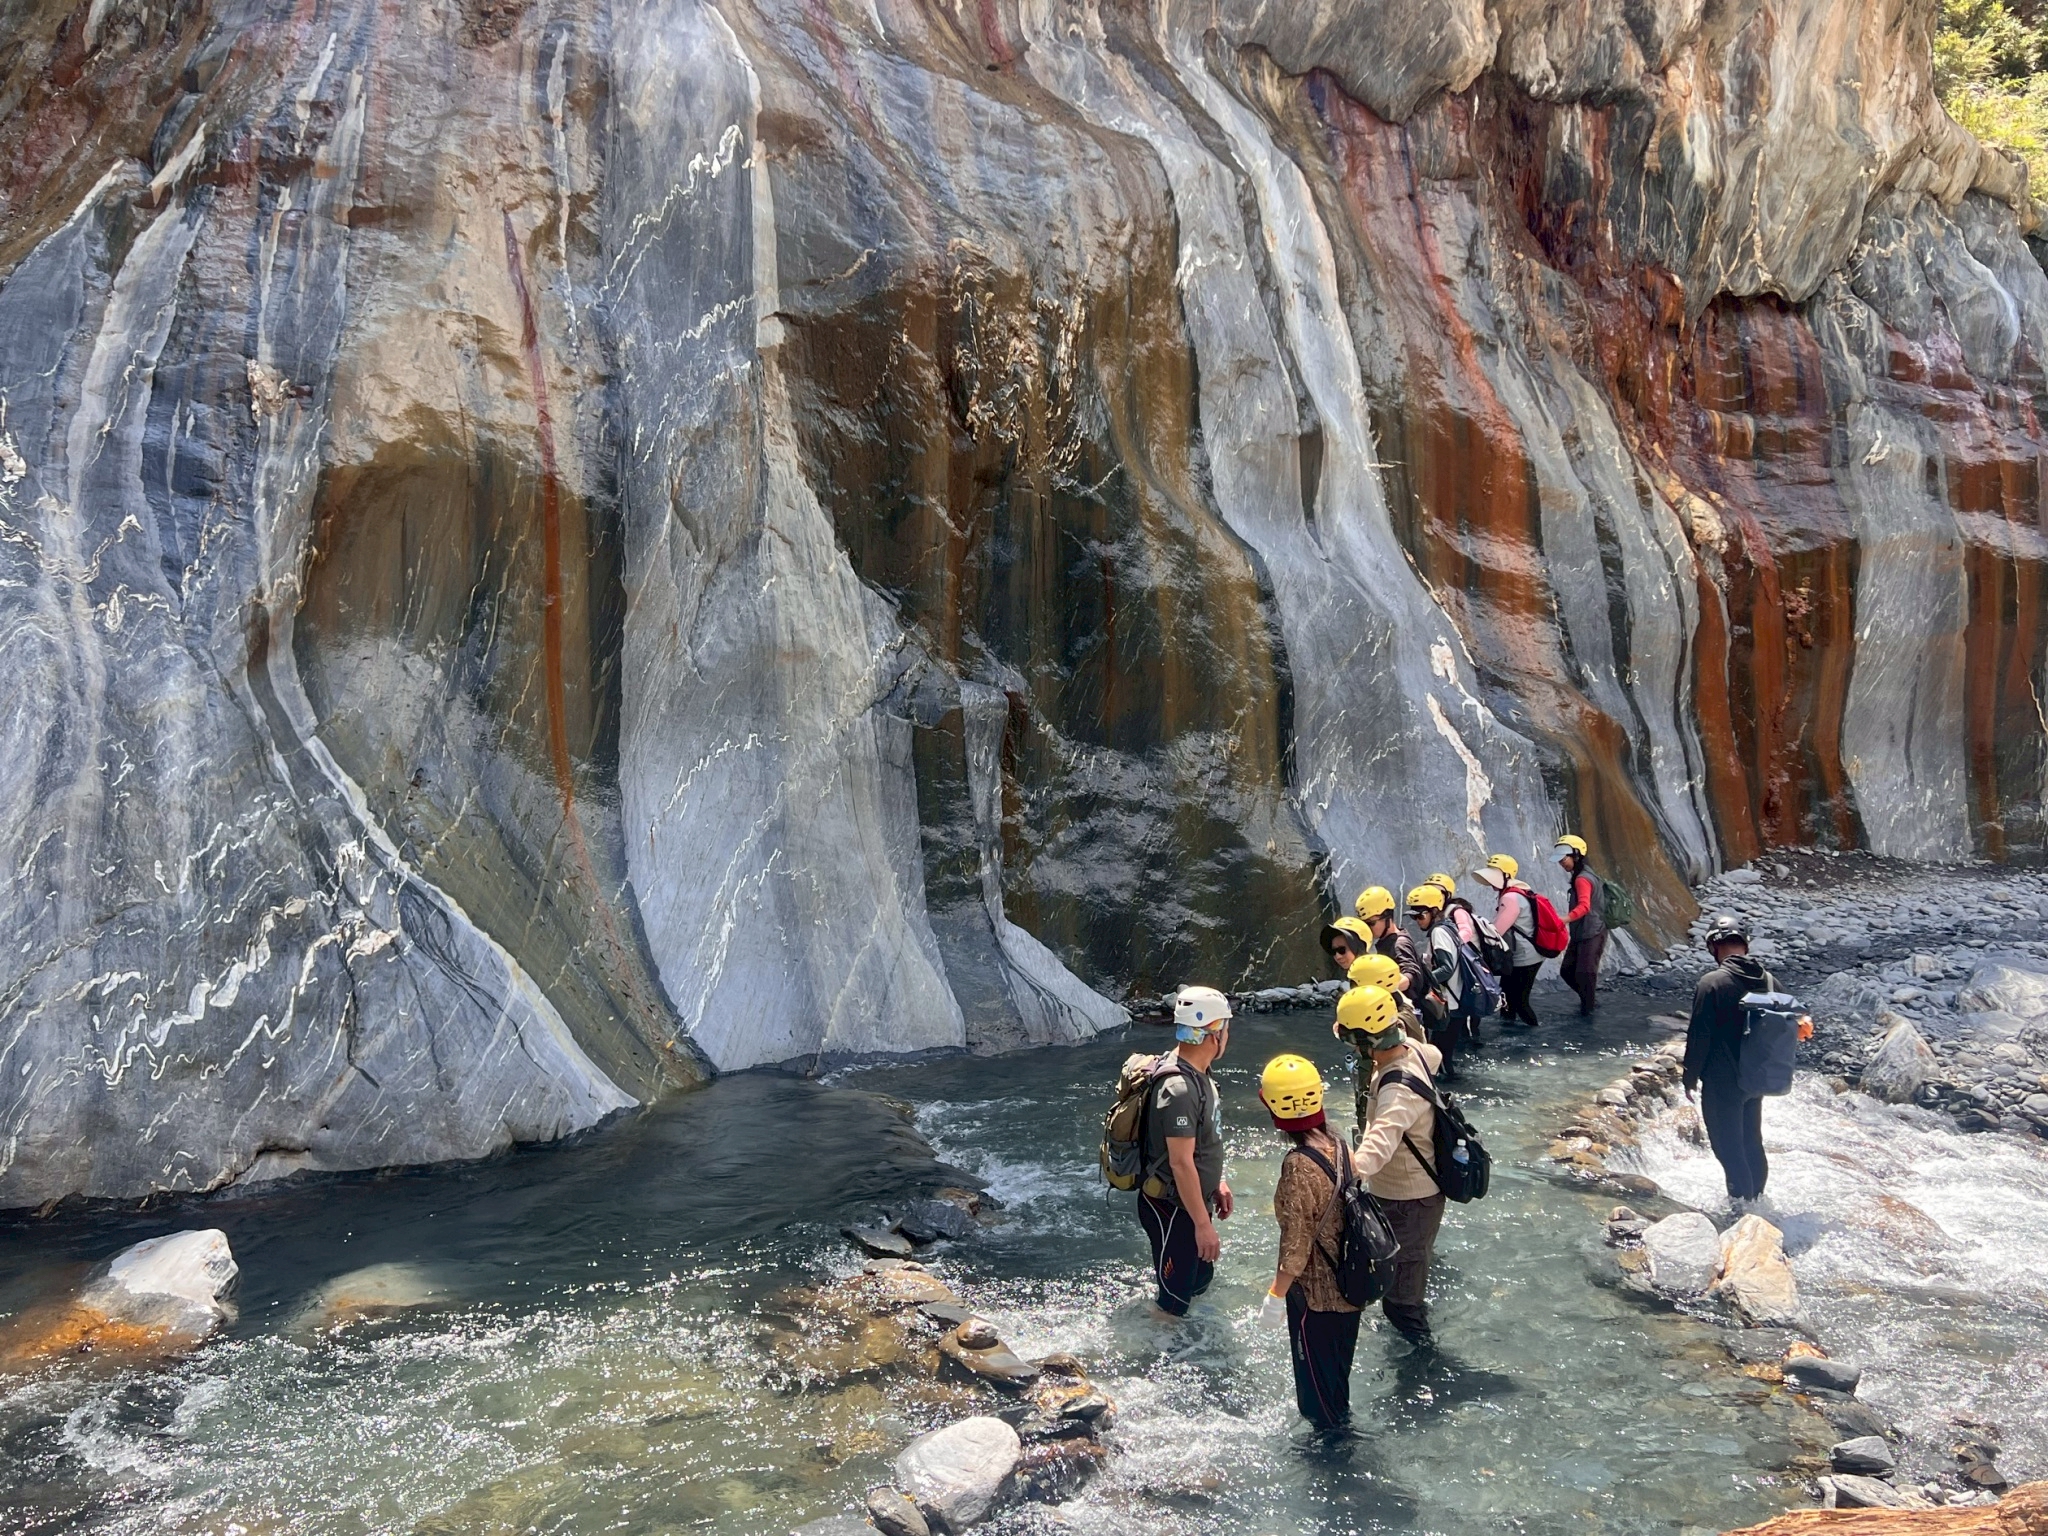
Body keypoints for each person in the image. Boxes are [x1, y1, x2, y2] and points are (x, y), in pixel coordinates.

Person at [1335, 984, 1446, 1346]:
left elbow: (1380, 1142)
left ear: (1366, 1040)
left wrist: (1340, 1175)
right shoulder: (1413, 1049)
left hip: (1409, 1203)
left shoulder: (1397, 1090)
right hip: (1403, 1197)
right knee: (1395, 1286)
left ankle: (1425, 1363)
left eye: (1351, 1039)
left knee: (1402, 1304)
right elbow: (1434, 1053)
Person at [1256, 1053, 1360, 1430]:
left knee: (1318, 1405)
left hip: (1316, 1301)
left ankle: (1335, 1460)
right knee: (1336, 1390)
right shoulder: (1340, 1146)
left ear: (1272, 1106)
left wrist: (1275, 1296)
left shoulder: (1298, 1165)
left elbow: (1296, 1246)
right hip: (1351, 1288)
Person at [1137, 985, 1236, 1315]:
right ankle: (1152, 1343)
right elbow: (1180, 1163)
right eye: (1226, 1028)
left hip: (1191, 1206)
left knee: (1199, 1283)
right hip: (1172, 1208)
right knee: (1173, 1306)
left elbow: (1202, 1143)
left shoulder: (1200, 1072)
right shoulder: (1179, 1089)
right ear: (1214, 1034)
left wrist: (1217, 1181)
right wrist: (1203, 1226)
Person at [1683, 915, 1773, 1206]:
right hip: (1756, 1078)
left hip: (1723, 1082)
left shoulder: (1712, 983)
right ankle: (1757, 1204)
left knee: (1728, 1149)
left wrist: (1689, 1076)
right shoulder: (1769, 981)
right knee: (1751, 1143)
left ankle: (1742, 1213)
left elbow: (1699, 1034)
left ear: (1713, 946)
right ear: (1745, 946)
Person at [1475, 857, 1542, 1029]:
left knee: (1520, 1001)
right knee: (1507, 997)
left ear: (1506, 875)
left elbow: (1496, 930)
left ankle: (1534, 1031)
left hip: (1525, 957)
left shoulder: (1510, 897)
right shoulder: (1519, 891)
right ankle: (1509, 1030)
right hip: (1528, 954)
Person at [1405, 884, 1464, 1078]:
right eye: (1413, 917)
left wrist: (1422, 981)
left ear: (1434, 911)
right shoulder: (1448, 927)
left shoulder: (1439, 933)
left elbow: (1447, 968)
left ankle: (1446, 1092)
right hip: (1455, 1002)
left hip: (1449, 1005)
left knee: (1439, 1059)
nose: (1417, 921)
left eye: (1420, 916)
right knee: (1443, 1058)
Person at [1355, 886, 1430, 1012]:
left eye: (1371, 923)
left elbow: (1411, 975)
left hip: (1408, 1012)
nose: (1368, 928)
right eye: (1365, 924)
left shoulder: (1399, 943)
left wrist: (1379, 993)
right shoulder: (1389, 940)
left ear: (1387, 917)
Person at [1556, 835, 1606, 1017]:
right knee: (1567, 971)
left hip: (1592, 932)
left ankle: (1589, 1011)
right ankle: (1589, 1002)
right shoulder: (1584, 874)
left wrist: (1565, 919)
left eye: (1564, 858)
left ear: (1576, 855)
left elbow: (1584, 906)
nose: (1562, 863)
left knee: (1585, 973)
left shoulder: (1582, 879)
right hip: (1583, 932)